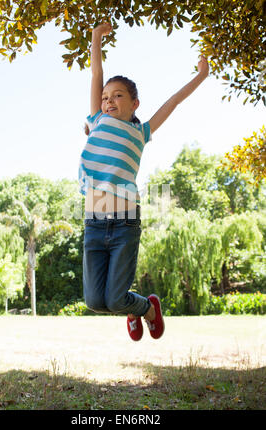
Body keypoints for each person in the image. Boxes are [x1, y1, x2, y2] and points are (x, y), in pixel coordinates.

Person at [78, 22, 209, 341]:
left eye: (117, 96)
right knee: (96, 302)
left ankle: (149, 309)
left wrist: (201, 75)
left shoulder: (141, 132)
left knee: (114, 299)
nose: (108, 101)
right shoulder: (96, 120)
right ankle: (141, 309)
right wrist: (96, 39)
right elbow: (96, 75)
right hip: (94, 223)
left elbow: (173, 101)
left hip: (124, 225)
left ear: (134, 104)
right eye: (106, 97)